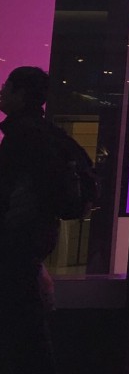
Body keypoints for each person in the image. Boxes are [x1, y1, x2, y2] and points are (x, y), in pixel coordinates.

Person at [0, 66, 62, 374]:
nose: (2, 91)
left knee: (23, 330)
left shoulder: (22, 136)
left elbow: (12, 194)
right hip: (33, 244)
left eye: (7, 86)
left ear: (20, 93)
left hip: (18, 246)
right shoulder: (45, 133)